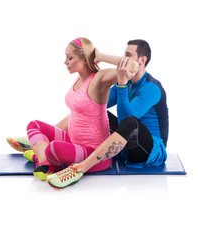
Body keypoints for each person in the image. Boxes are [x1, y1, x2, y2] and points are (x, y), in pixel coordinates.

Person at [46, 39, 169, 190]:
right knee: (90, 109)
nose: (123, 59)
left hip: (150, 151)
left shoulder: (151, 88)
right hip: (126, 146)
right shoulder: (125, 83)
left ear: (142, 60)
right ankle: (47, 135)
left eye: (128, 56)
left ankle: (79, 169)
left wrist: (103, 59)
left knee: (131, 122)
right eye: (124, 55)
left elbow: (127, 121)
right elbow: (91, 105)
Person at [24, 37, 139, 180]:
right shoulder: (79, 79)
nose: (65, 62)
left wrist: (100, 57)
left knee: (54, 147)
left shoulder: (99, 79)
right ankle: (43, 162)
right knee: (34, 125)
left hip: (92, 153)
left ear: (85, 59)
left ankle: (43, 155)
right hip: (73, 141)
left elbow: (134, 66)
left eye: (70, 58)